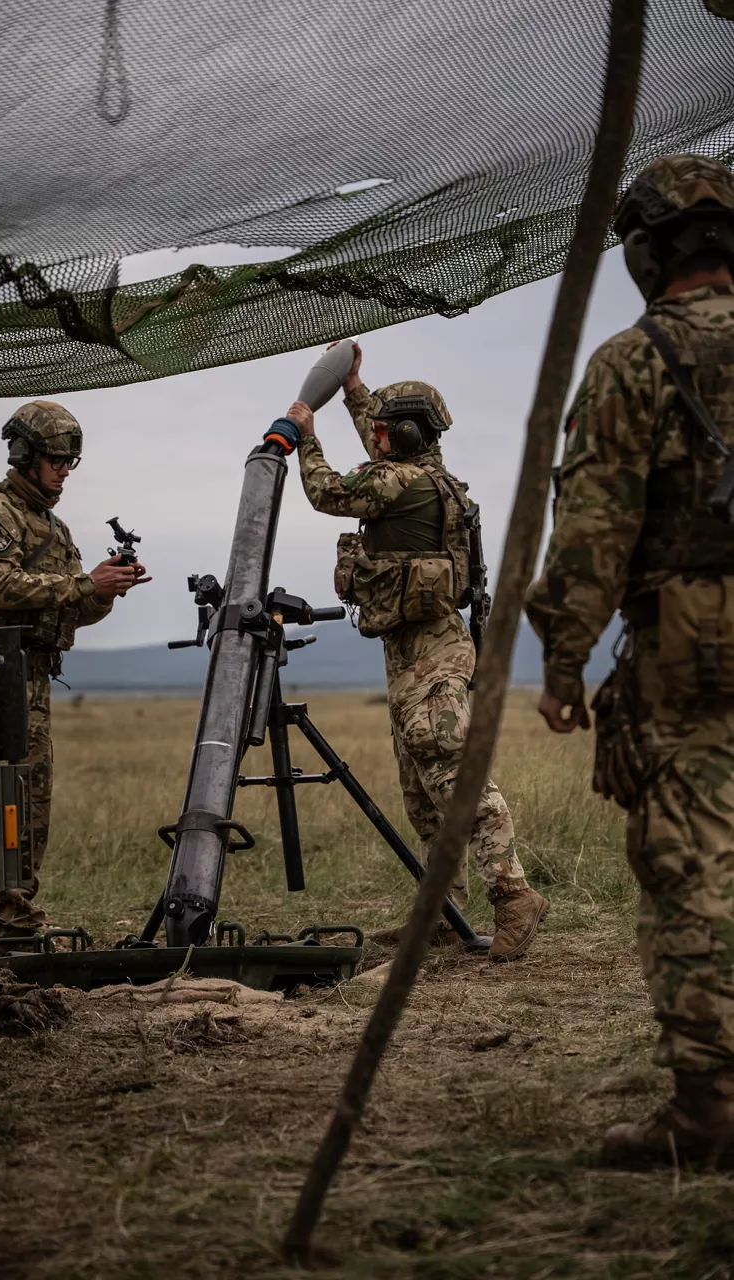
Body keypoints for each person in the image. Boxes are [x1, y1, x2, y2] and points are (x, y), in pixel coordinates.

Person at [525, 154, 734, 1165]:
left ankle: (710, 1111)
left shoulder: (632, 362)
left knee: (691, 865)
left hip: (692, 656)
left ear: (647, 253)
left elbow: (591, 540)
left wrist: (564, 667)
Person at [284, 349, 549, 961]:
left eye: (382, 428)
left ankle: (514, 898)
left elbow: (328, 492)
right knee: (421, 796)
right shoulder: (422, 473)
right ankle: (443, 916)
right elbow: (378, 432)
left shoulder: (400, 482)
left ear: (403, 435)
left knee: (452, 777)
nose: (374, 434)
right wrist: (353, 388)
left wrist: (304, 433)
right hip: (409, 648)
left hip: (431, 652)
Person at [0, 400, 150, 972]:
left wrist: (104, 591)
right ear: (24, 455)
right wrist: (85, 582)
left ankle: (15, 925)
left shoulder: (53, 528)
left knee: (29, 805)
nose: (63, 472)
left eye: (70, 462)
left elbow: (73, 611)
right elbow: (4, 587)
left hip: (30, 677)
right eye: (56, 460)